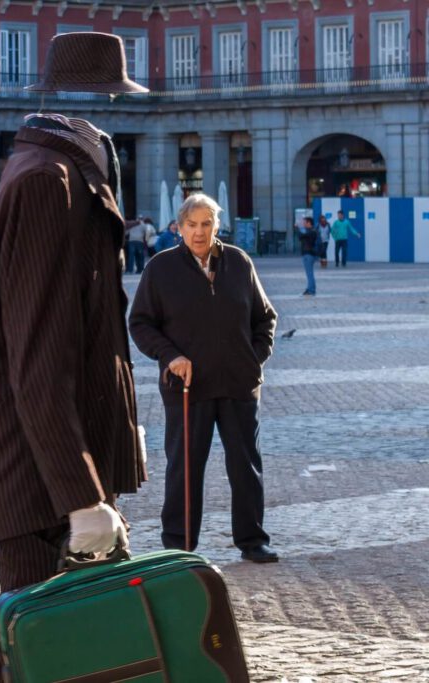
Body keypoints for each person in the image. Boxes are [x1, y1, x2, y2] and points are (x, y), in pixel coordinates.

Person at [0, 32, 147, 682]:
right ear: (95, 99)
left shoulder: (55, 171)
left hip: (50, 465)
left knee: (47, 653)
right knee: (38, 656)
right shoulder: (51, 182)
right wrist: (81, 496)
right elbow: (37, 359)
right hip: (41, 480)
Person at [129, 192, 279, 564]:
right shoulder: (160, 269)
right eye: (192, 225)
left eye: (207, 224)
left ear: (217, 226)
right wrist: (170, 355)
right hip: (186, 388)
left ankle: (252, 540)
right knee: (184, 466)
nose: (200, 232)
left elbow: (266, 319)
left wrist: (251, 361)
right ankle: (179, 544)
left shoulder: (239, 263)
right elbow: (140, 323)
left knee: (245, 465)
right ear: (179, 228)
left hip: (237, 385)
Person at [298, 216, 319, 296]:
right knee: (309, 273)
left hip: (308, 254)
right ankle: (310, 288)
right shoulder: (310, 231)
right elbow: (301, 237)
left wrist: (298, 229)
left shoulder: (312, 232)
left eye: (304, 222)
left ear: (309, 223)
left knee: (309, 274)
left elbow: (301, 236)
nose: (303, 224)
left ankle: (311, 290)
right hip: (308, 254)